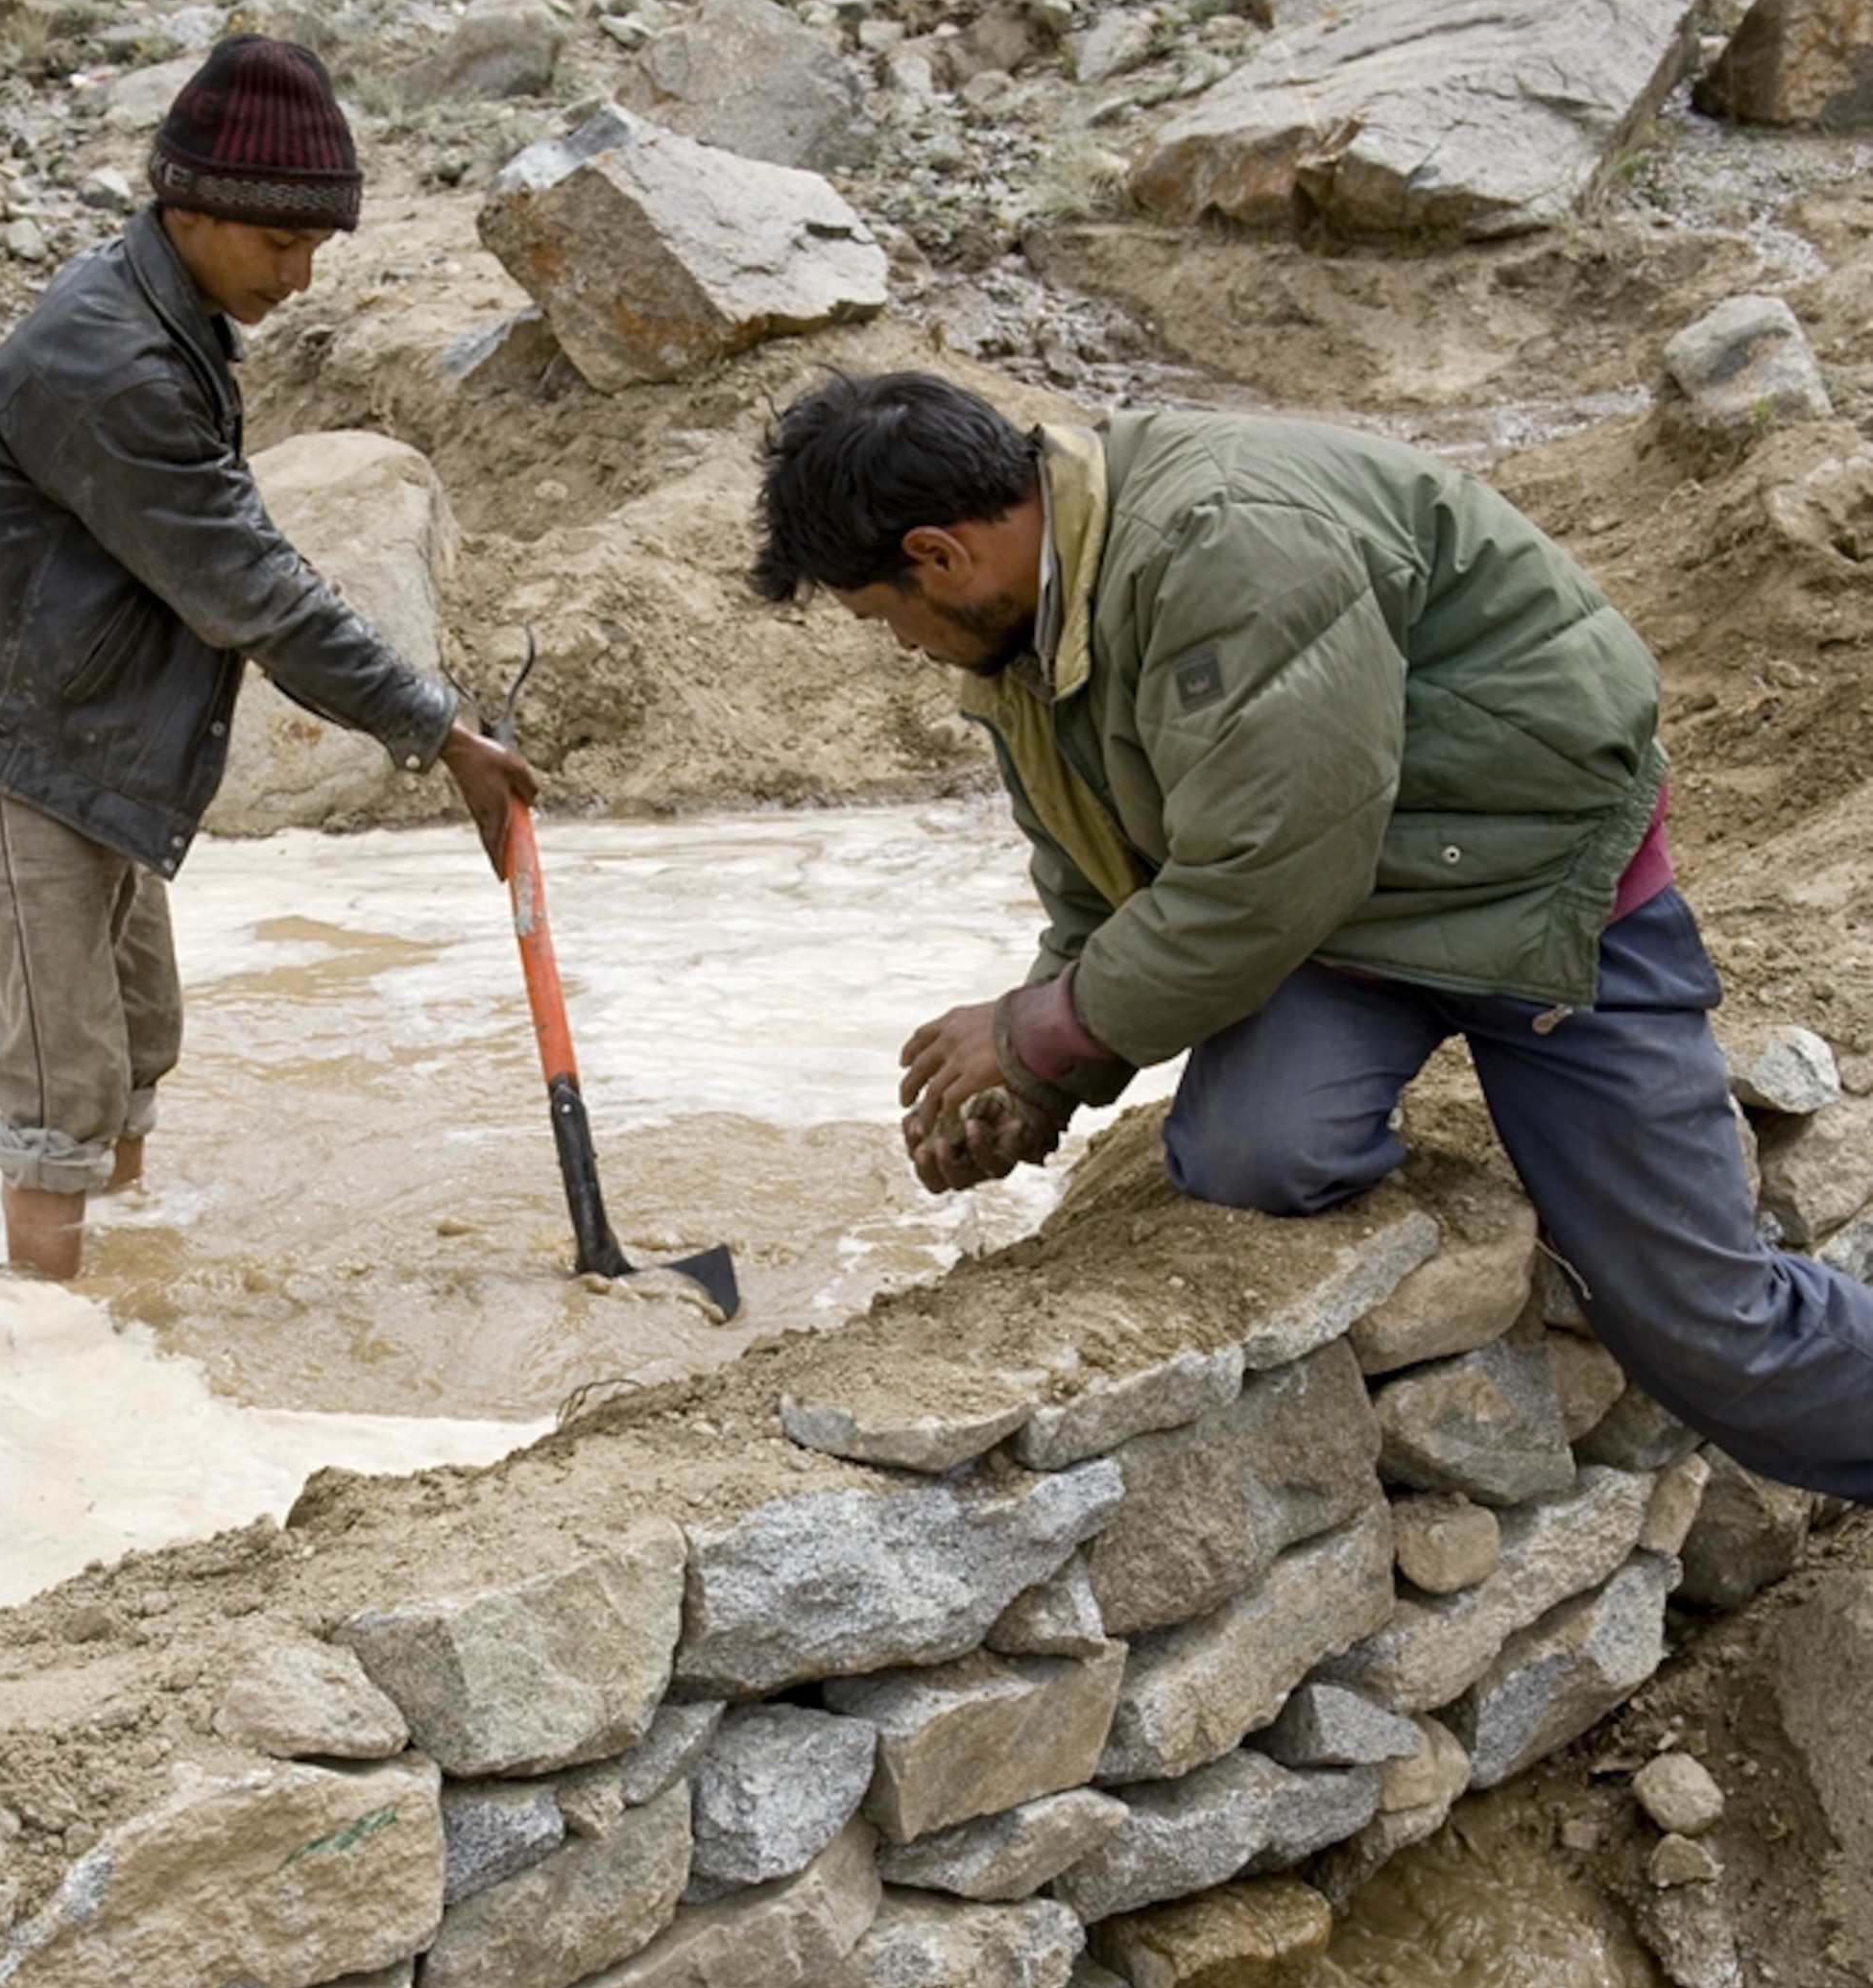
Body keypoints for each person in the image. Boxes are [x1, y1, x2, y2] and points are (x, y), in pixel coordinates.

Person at [750, 368, 1870, 1503]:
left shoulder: (1225, 544)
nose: (902, 646)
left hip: (1534, 896)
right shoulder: (1030, 632)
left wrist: (1035, 1026)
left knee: (1706, 1326)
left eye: (884, 618)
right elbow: (1104, 880)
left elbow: (1268, 871)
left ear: (937, 555)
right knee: (1254, 1157)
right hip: (1348, 926)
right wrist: (1048, 1078)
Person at [0, 36, 535, 1281]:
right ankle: (49, 1356)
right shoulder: (113, 361)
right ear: (186, 209)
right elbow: (256, 595)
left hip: (83, 736)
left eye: (314, 249)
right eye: (279, 246)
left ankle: (122, 1295)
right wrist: (438, 731)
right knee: (63, 1087)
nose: (300, 277)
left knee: (138, 1037)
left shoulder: (161, 311)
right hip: (12, 750)